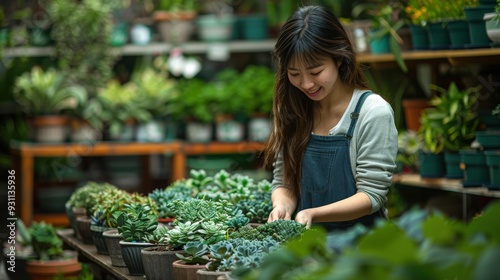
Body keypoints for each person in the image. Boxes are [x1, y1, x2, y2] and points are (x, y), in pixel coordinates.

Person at [264, 5, 398, 231]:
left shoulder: (373, 112)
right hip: (308, 245)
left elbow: (372, 195)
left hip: (363, 248)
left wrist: (313, 214)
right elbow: (285, 181)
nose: (306, 84)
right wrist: (282, 206)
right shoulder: (291, 107)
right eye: (294, 74)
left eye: (316, 72)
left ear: (338, 58)